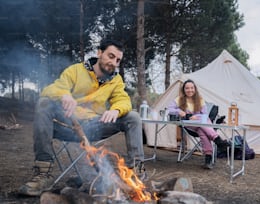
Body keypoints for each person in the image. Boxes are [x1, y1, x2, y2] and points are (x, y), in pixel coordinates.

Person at [18, 39, 145, 196]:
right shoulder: (76, 70)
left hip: (96, 126)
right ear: (99, 52)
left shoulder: (116, 80)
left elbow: (123, 99)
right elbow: (53, 88)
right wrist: (64, 95)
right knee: (44, 103)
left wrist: (116, 110)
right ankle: (43, 174)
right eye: (110, 56)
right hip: (68, 124)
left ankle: (135, 176)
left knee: (133, 117)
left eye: (118, 60)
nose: (114, 63)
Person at [168, 79, 229, 169]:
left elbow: (204, 115)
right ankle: (217, 140)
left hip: (200, 124)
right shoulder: (179, 99)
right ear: (184, 90)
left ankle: (208, 158)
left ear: (195, 89)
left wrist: (197, 117)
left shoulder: (200, 99)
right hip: (188, 124)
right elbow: (170, 109)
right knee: (203, 125)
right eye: (187, 88)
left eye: (192, 88)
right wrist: (179, 111)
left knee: (202, 129)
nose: (190, 90)